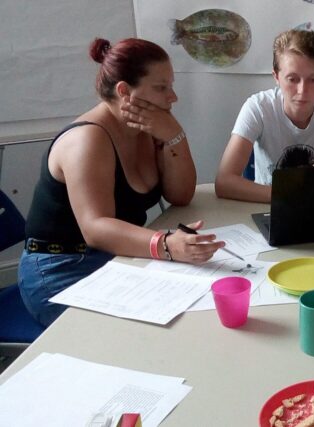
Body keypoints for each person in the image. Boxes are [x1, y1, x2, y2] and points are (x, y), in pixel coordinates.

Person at [18, 38, 225, 327]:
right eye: (161, 87)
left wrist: (176, 136)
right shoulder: (87, 139)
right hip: (61, 268)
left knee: (194, 314)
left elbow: (180, 195)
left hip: (116, 259)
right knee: (140, 335)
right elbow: (95, 227)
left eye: (171, 86)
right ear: (125, 91)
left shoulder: (147, 128)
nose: (173, 97)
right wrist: (165, 245)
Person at [215, 29, 314, 203]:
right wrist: (293, 194)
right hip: (267, 205)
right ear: (276, 77)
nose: (302, 91)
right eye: (292, 79)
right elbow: (224, 182)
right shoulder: (258, 107)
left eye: (313, 80)